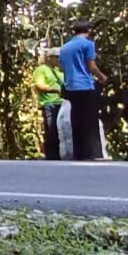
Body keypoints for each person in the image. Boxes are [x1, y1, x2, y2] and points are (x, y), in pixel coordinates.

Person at [58, 20, 109, 160]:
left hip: (70, 87)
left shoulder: (65, 47)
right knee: (89, 119)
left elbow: (62, 67)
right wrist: (102, 77)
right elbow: (91, 66)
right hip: (85, 85)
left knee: (76, 118)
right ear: (88, 31)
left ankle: (78, 152)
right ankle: (91, 152)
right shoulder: (88, 44)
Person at [31, 48, 65, 160]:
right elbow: (39, 86)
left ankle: (62, 153)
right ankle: (52, 155)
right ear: (50, 57)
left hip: (62, 103)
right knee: (52, 129)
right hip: (50, 103)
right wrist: (55, 90)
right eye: (57, 57)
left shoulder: (60, 71)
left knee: (62, 129)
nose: (60, 60)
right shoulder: (41, 70)